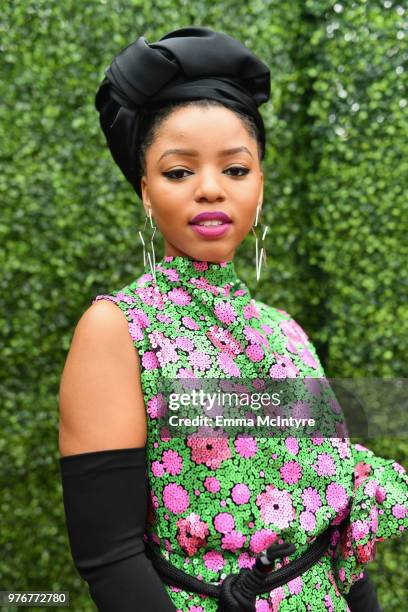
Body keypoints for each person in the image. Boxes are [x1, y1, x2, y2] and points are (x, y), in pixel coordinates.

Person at [59, 27, 407, 611]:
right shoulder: (118, 329)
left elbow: (329, 534)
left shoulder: (286, 332)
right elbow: (110, 558)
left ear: (260, 186)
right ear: (146, 190)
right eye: (178, 172)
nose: (211, 190)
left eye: (236, 170)